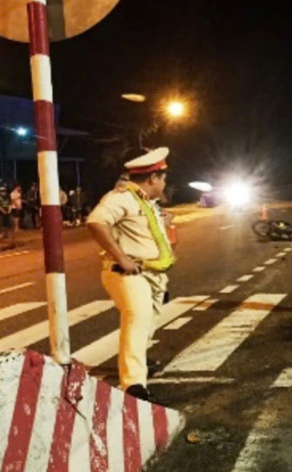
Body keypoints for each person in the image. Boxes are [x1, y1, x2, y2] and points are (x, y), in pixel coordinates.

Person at [87, 147, 176, 401]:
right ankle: (133, 384)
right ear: (152, 179)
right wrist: (121, 257)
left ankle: (138, 361)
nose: (164, 183)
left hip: (153, 275)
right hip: (129, 273)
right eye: (163, 178)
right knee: (137, 316)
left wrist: (164, 221)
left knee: (148, 322)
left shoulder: (146, 202)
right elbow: (96, 222)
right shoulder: (122, 197)